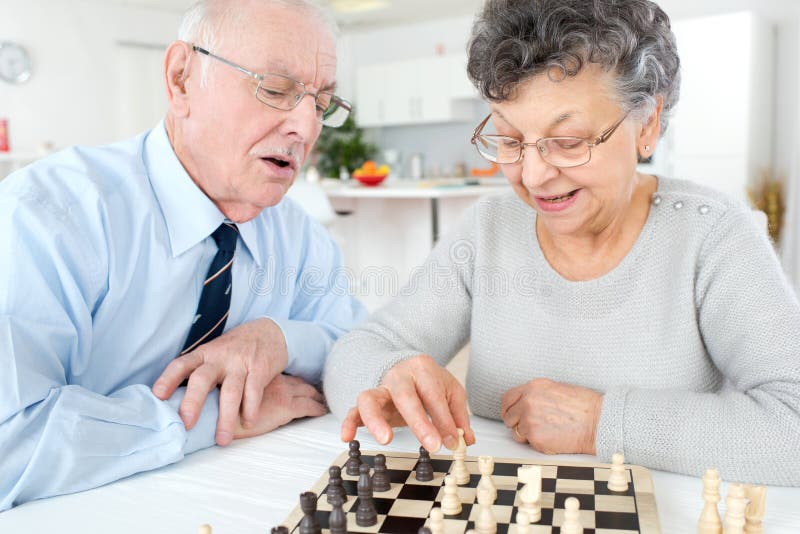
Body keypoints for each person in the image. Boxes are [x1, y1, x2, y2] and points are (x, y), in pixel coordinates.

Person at [323, 0, 800, 486]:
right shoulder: (488, 230)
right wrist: (391, 373)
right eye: (509, 140)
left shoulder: (714, 236)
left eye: (568, 141)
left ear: (648, 123)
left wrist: (601, 423)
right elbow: (357, 350)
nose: (533, 176)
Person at [0, 0, 367, 511]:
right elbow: (10, 445)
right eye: (276, 89)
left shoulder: (300, 237)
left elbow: (360, 349)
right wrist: (212, 413)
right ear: (181, 79)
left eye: (321, 103)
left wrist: (280, 340)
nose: (305, 129)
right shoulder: (48, 217)